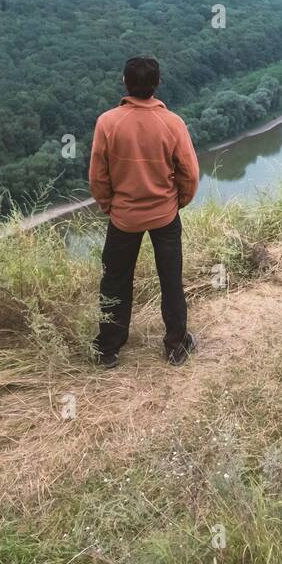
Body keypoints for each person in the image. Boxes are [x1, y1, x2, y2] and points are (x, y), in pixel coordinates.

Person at [89, 56, 200, 368]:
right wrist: (179, 202)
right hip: (165, 216)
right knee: (171, 279)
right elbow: (189, 173)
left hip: (123, 218)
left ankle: (108, 349)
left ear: (124, 82)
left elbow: (99, 175)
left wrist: (107, 204)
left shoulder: (107, 122)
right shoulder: (173, 123)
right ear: (157, 84)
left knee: (115, 280)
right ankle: (177, 346)